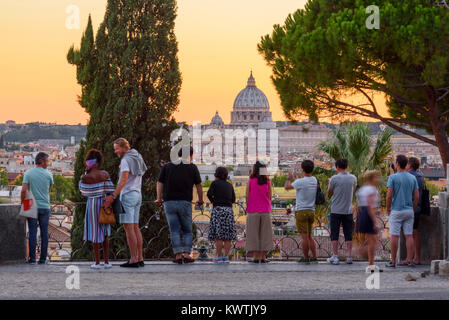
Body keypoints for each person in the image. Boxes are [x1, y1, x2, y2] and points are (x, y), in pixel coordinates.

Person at [155, 146, 203, 264]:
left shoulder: (167, 166)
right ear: (190, 155)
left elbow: (160, 182)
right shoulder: (192, 167)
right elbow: (198, 185)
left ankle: (177, 255)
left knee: (174, 230)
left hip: (169, 202)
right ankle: (186, 254)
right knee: (187, 230)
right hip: (185, 202)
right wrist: (200, 200)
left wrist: (159, 198)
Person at [105, 138, 147, 268]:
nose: (115, 151)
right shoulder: (137, 156)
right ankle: (140, 257)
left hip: (128, 195)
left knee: (129, 229)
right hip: (137, 194)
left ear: (124, 147)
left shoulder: (125, 160)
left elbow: (122, 180)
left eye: (117, 148)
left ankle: (133, 259)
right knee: (135, 227)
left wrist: (113, 196)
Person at [79, 149, 115, 269]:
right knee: (105, 233)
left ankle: (97, 263)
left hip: (92, 204)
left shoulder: (85, 177)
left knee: (95, 233)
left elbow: (83, 192)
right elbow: (111, 189)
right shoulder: (105, 174)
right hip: (104, 203)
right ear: (99, 161)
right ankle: (106, 262)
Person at [385, 155, 419, 268]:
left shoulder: (392, 178)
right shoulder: (412, 178)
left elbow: (389, 196)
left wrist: (387, 209)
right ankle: (409, 260)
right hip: (409, 210)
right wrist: (413, 208)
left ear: (398, 164)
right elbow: (417, 196)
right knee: (409, 235)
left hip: (396, 210)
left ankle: (393, 261)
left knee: (394, 236)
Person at [21, 152, 54, 264]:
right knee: (44, 233)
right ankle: (43, 259)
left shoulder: (28, 173)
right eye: (47, 161)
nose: (48, 163)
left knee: (32, 232)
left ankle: (32, 259)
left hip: (31, 205)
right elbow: (49, 190)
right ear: (42, 161)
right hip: (45, 206)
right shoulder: (49, 174)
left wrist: (22, 202)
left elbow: (24, 190)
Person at [284, 160, 318, 264]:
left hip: (301, 211)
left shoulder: (300, 182)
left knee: (304, 238)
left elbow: (287, 187)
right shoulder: (314, 180)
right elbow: (305, 186)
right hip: (311, 211)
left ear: (302, 169)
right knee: (309, 236)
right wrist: (299, 179)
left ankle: (306, 257)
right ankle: (314, 256)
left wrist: (289, 178)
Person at [327, 158, 357, 265]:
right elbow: (353, 189)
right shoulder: (353, 178)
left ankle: (335, 256)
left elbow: (329, 193)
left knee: (334, 233)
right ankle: (349, 256)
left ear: (337, 167)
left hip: (336, 210)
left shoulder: (334, 179)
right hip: (348, 210)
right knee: (348, 233)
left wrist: (329, 183)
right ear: (347, 167)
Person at [207, 167, 237, 264]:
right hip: (228, 211)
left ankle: (219, 257)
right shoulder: (229, 185)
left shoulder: (214, 184)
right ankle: (226, 257)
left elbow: (209, 194)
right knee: (228, 237)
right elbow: (233, 199)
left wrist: (213, 201)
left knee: (219, 236)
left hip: (218, 210)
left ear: (216, 174)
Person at [245, 161, 273, 263]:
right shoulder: (267, 181)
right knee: (265, 234)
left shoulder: (251, 180)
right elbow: (270, 196)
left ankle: (256, 257)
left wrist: (249, 205)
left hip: (253, 210)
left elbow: (247, 195)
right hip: (265, 210)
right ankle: (264, 257)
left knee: (253, 234)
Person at [356, 171, 382, 272]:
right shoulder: (372, 190)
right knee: (373, 241)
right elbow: (371, 206)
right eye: (376, 177)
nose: (378, 179)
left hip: (362, 213)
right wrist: (375, 221)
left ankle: (371, 264)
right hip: (368, 214)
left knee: (371, 240)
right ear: (372, 179)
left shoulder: (363, 189)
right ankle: (370, 264)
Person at [407, 157, 425, 265]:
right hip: (418, 207)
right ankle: (416, 258)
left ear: (409, 165)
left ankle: (410, 258)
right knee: (414, 232)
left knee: (410, 233)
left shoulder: (409, 176)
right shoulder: (420, 176)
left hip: (410, 207)